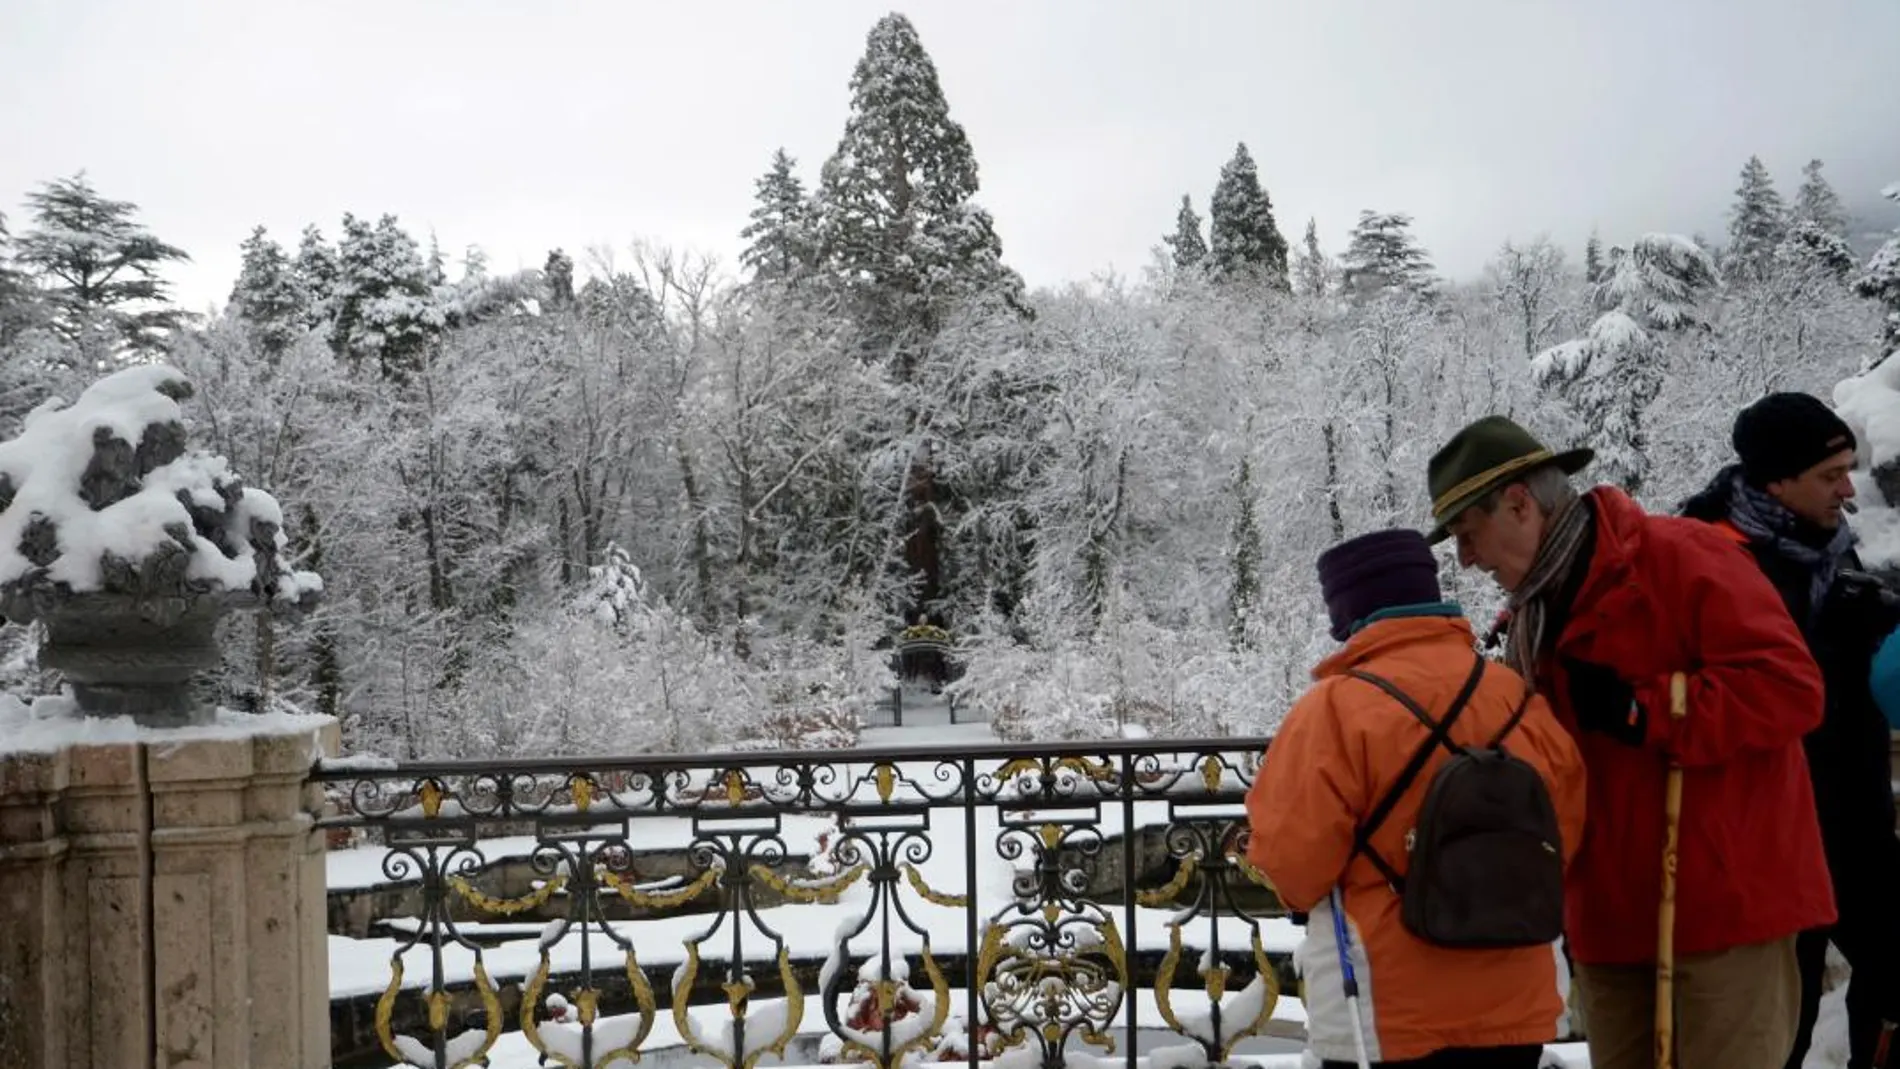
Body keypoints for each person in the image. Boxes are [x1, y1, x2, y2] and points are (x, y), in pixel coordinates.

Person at [1425, 414, 1835, 1069]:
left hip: (1722, 915)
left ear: (1519, 503)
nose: (1466, 559)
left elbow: (1790, 687)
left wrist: (1645, 710)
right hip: (1610, 921)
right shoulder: (1525, 620)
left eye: (1468, 536)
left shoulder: (1681, 558)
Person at [1246, 527, 1587, 1068]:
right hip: (1513, 997)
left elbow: (1293, 868)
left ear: (1348, 613)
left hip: (1386, 1009)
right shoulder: (1517, 698)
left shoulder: (1333, 712)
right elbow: (1563, 834)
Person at [1677, 392, 1900, 1069]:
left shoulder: (1827, 547)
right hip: (1764, 838)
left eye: (1850, 470)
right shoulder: (1705, 559)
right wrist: (1830, 641)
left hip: (1853, 818)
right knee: (1781, 1021)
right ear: (1777, 479)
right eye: (1831, 474)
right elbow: (1723, 693)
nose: (1848, 490)